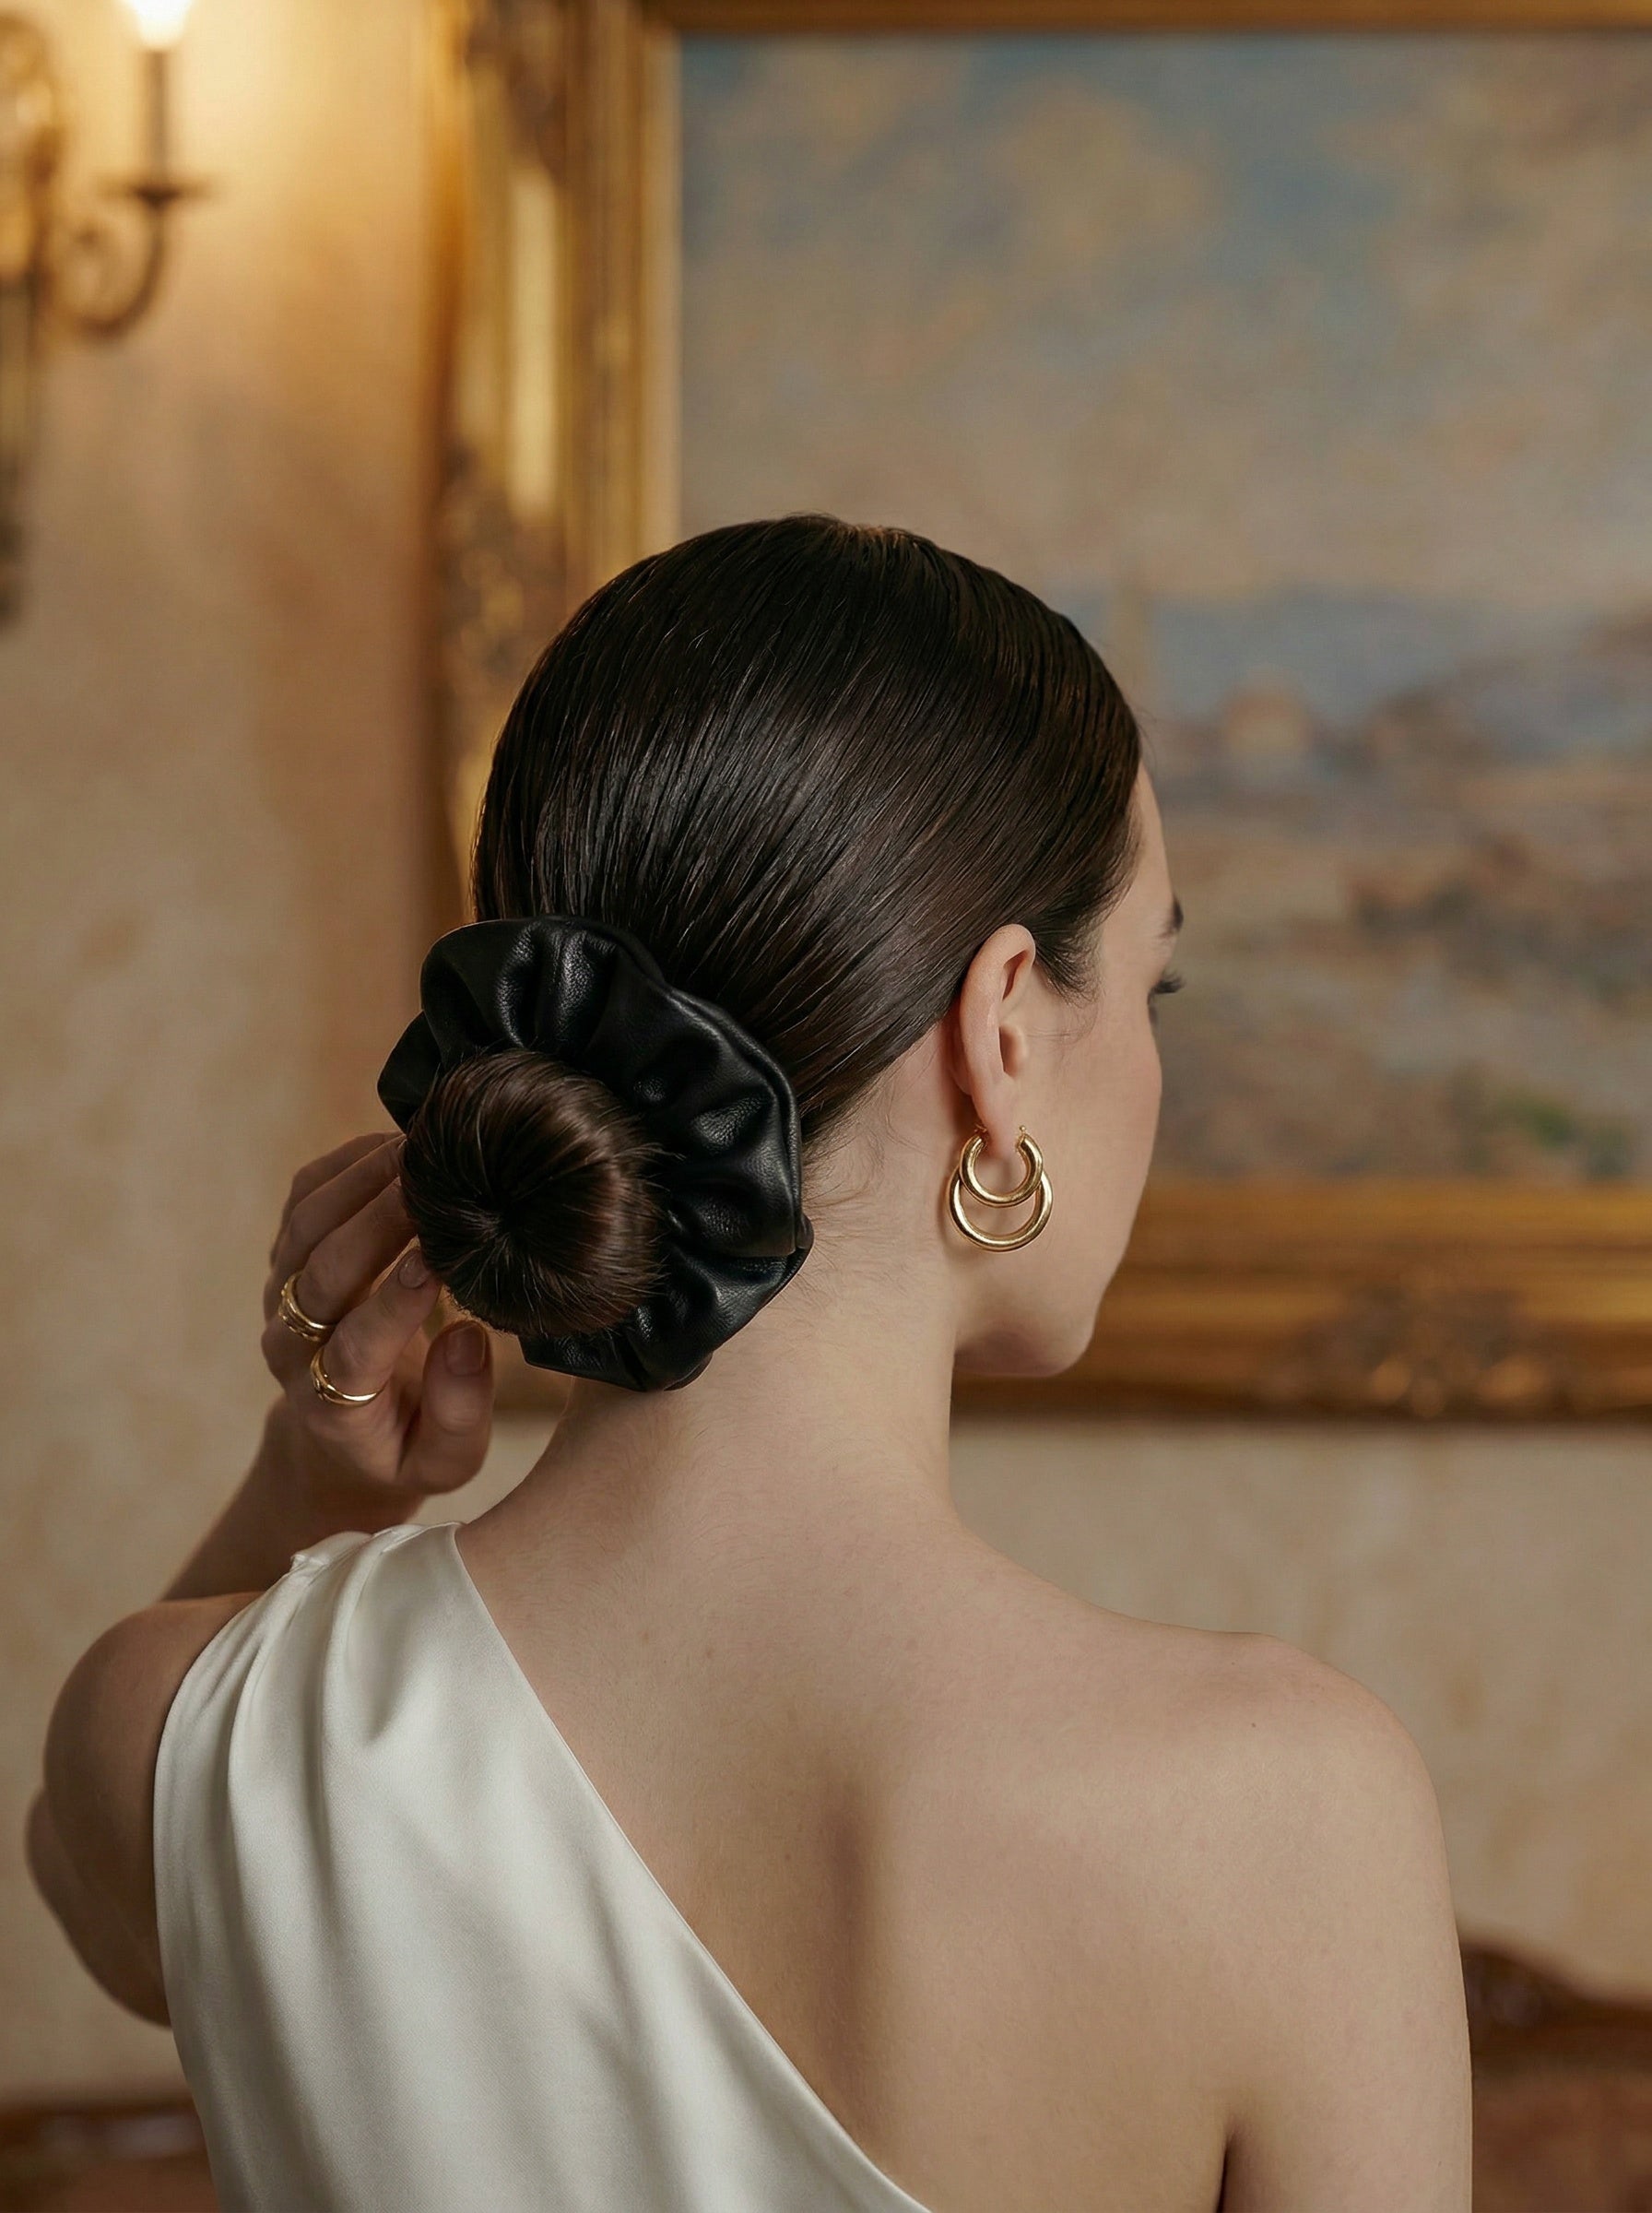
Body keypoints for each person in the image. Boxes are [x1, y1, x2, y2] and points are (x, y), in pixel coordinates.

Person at [28, 515, 1471, 2212]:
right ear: (1003, 1035)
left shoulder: (183, 1725)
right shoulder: (1288, 1817)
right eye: (1155, 982)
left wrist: (311, 1474)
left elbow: (108, 1905)